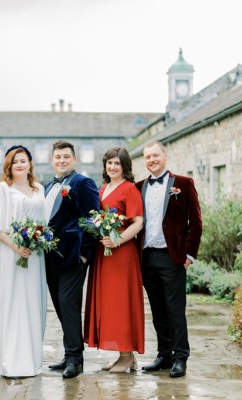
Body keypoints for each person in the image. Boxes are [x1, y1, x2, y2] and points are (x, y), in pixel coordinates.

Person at [136, 141, 202, 378]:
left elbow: (195, 222)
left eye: (155, 155)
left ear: (165, 156)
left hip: (172, 257)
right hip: (147, 257)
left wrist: (189, 255)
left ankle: (180, 356)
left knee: (175, 309)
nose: (152, 160)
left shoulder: (183, 184)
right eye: (147, 157)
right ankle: (164, 354)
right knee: (157, 309)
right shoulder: (139, 187)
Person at [0, 145, 47, 377]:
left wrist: (36, 241)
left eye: (23, 160)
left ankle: (30, 361)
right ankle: (9, 361)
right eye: (15, 162)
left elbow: (44, 221)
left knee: (32, 303)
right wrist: (16, 248)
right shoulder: (1, 189)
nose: (19, 165)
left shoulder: (39, 188)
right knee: (10, 303)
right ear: (8, 166)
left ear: (30, 163)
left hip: (34, 255)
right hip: (9, 253)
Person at [84, 147, 145, 373]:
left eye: (117, 164)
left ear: (125, 167)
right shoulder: (102, 189)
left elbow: (138, 222)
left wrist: (118, 239)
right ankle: (124, 356)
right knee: (109, 304)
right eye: (109, 163)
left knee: (121, 303)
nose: (112, 167)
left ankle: (127, 355)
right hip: (104, 254)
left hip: (122, 254)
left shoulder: (129, 189)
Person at [44, 141, 99, 379]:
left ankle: (75, 359)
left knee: (68, 302)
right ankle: (69, 354)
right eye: (58, 157)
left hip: (74, 255)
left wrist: (85, 253)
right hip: (49, 256)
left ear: (74, 159)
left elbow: (93, 218)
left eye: (66, 157)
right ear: (52, 159)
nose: (62, 160)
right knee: (60, 304)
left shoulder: (83, 183)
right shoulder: (47, 186)